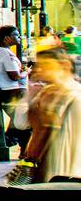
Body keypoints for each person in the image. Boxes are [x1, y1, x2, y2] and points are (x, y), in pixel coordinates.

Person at [13, 48, 81, 183]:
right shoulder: (45, 93)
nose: (42, 72)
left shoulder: (75, 95)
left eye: (47, 66)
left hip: (68, 166)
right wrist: (29, 97)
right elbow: (20, 124)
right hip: (44, 164)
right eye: (41, 67)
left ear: (64, 66)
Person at [0, 25, 30, 152]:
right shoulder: (5, 54)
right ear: (7, 38)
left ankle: (16, 143)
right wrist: (27, 71)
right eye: (16, 35)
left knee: (19, 121)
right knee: (23, 122)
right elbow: (15, 76)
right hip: (13, 92)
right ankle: (15, 143)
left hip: (5, 90)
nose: (19, 37)